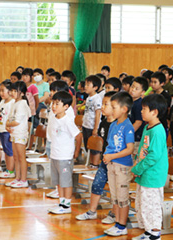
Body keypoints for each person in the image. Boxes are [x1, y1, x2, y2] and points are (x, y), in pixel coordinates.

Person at [131, 94, 169, 240]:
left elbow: (153, 156)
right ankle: (148, 232)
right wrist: (136, 163)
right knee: (143, 204)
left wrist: (137, 169)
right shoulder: (148, 127)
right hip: (144, 174)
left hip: (152, 175)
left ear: (154, 112)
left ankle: (154, 234)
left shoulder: (158, 131)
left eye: (144, 109)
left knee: (151, 206)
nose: (141, 111)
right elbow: (142, 149)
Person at [75, 91, 117, 223]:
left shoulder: (120, 125)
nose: (102, 107)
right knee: (97, 184)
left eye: (106, 104)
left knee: (115, 189)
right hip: (105, 161)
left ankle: (114, 214)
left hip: (117, 162)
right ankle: (91, 211)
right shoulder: (104, 123)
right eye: (102, 104)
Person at [103, 92, 134, 237]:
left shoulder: (128, 127)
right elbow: (111, 144)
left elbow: (129, 149)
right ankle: (117, 222)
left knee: (122, 198)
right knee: (115, 197)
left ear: (124, 109)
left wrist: (112, 156)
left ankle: (122, 225)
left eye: (114, 107)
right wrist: (107, 156)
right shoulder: (113, 125)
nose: (112, 110)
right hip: (112, 164)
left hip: (122, 166)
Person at [47, 91, 82, 214]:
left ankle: (67, 205)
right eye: (53, 103)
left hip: (65, 156)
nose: (54, 106)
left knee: (66, 182)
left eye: (57, 104)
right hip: (55, 155)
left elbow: (78, 136)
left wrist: (76, 152)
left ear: (66, 107)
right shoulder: (53, 118)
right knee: (58, 182)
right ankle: (61, 203)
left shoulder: (67, 121)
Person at [45, 80, 75, 199]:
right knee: (57, 175)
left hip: (64, 151)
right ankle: (59, 193)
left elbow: (74, 133)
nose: (52, 93)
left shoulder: (68, 113)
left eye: (54, 90)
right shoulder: (54, 110)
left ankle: (65, 202)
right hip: (53, 144)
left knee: (65, 178)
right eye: (51, 90)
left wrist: (75, 152)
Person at [5, 81, 31, 188]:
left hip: (20, 133)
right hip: (14, 133)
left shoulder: (22, 104)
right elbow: (10, 119)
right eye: (12, 90)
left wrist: (8, 124)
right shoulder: (15, 103)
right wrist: (7, 125)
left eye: (16, 91)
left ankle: (24, 180)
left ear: (23, 93)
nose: (12, 93)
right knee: (16, 157)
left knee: (21, 157)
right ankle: (17, 178)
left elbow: (16, 122)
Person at [82, 75, 102, 167]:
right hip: (86, 125)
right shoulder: (88, 98)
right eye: (85, 84)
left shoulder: (97, 98)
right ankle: (91, 163)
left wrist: (96, 128)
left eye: (88, 85)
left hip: (92, 126)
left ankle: (95, 164)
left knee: (95, 147)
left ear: (95, 87)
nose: (85, 87)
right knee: (88, 146)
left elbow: (98, 114)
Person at [129, 77, 148, 155]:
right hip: (130, 136)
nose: (133, 89)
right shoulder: (129, 102)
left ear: (142, 92)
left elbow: (138, 122)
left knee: (134, 158)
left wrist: (128, 133)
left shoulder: (139, 104)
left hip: (136, 138)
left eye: (136, 89)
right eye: (132, 87)